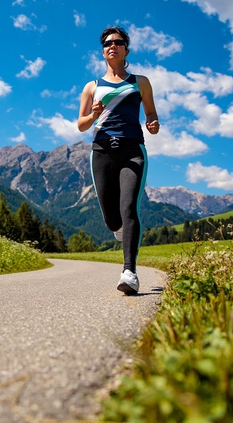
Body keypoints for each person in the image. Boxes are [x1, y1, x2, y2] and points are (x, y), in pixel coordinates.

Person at [77, 25, 160, 295]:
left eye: (118, 42)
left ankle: (129, 272)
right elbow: (81, 124)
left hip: (132, 150)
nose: (112, 45)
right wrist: (94, 115)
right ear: (103, 52)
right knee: (113, 220)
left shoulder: (140, 82)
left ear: (126, 49)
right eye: (107, 43)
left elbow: (150, 114)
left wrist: (152, 123)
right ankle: (122, 232)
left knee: (129, 208)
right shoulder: (92, 86)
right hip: (101, 152)